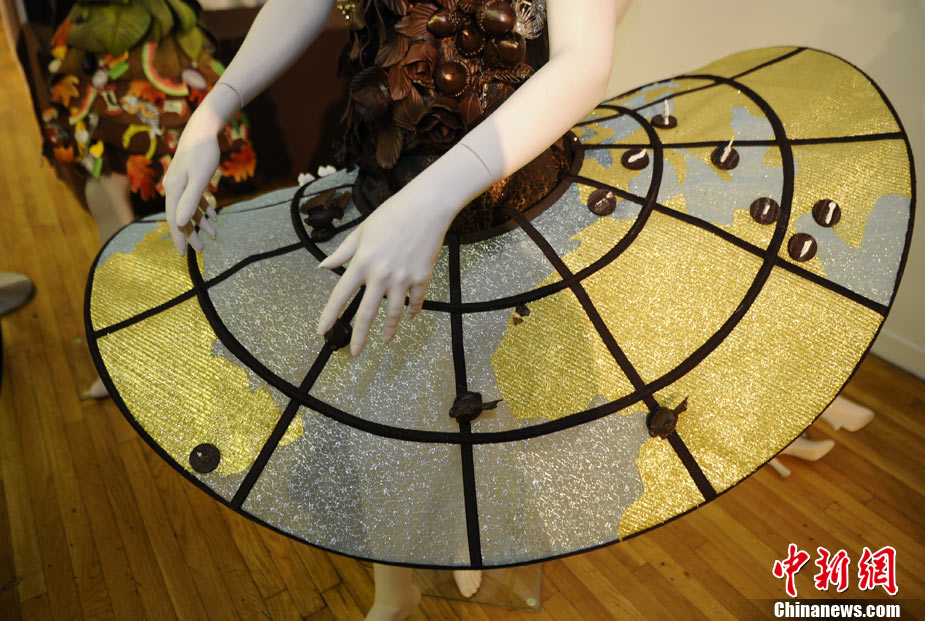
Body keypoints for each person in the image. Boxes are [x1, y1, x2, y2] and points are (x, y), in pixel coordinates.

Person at [85, 1, 913, 619]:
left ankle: (473, 535)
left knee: (496, 389)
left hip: (509, 195)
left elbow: (582, 58)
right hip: (380, 185)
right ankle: (397, 584)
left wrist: (437, 194)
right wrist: (214, 105)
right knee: (369, 397)